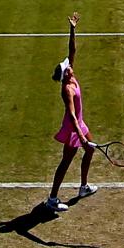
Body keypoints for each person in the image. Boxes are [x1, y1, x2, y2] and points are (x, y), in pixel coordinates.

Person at [47, 15, 96, 214]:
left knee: (90, 151)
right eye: (68, 66)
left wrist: (72, 28)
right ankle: (51, 199)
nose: (71, 64)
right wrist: (81, 137)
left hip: (80, 125)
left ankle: (83, 187)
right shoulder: (67, 89)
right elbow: (73, 116)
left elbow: (72, 50)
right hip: (73, 128)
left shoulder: (71, 76)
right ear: (65, 74)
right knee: (66, 161)